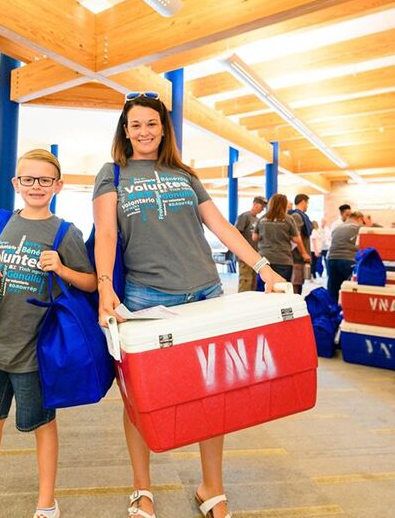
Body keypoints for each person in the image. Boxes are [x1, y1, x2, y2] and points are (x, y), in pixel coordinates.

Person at [93, 92, 285, 518]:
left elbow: (220, 227)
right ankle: (142, 488)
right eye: (136, 125)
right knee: (140, 400)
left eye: (152, 124)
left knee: (209, 395)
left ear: (164, 128)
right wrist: (106, 287)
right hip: (146, 297)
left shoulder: (183, 173)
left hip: (204, 293)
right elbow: (106, 233)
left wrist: (265, 269)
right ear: (125, 131)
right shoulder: (113, 174)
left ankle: (210, 486)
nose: (144, 132)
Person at [0, 149, 96, 518]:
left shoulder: (65, 232)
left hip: (35, 351)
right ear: (16, 183)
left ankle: (46, 504)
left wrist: (62, 269)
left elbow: (89, 283)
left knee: (43, 426)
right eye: (28, 179)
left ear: (58, 185)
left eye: (44, 180)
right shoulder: (1, 222)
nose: (35, 186)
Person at [254, 193, 310, 288]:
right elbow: (297, 239)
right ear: (284, 205)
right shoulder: (288, 219)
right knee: (281, 289)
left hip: (264, 259)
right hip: (283, 260)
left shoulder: (262, 219)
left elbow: (254, 237)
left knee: (263, 288)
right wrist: (304, 253)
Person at [326, 211, 365, 302]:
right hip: (348, 260)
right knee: (350, 290)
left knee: (333, 290)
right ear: (359, 219)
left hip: (332, 260)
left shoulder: (337, 228)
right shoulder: (360, 228)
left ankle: (333, 311)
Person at [234, 195, 267, 292]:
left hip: (254, 256)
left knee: (253, 283)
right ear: (255, 204)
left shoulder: (257, 220)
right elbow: (236, 234)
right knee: (245, 282)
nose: (262, 210)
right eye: (262, 207)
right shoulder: (244, 217)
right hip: (245, 256)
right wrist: (239, 252)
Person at [288, 193, 313, 294]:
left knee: (299, 282)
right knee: (296, 284)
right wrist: (303, 253)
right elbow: (295, 237)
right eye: (307, 203)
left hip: (299, 257)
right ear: (303, 202)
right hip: (296, 257)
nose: (307, 205)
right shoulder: (297, 216)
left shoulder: (302, 216)